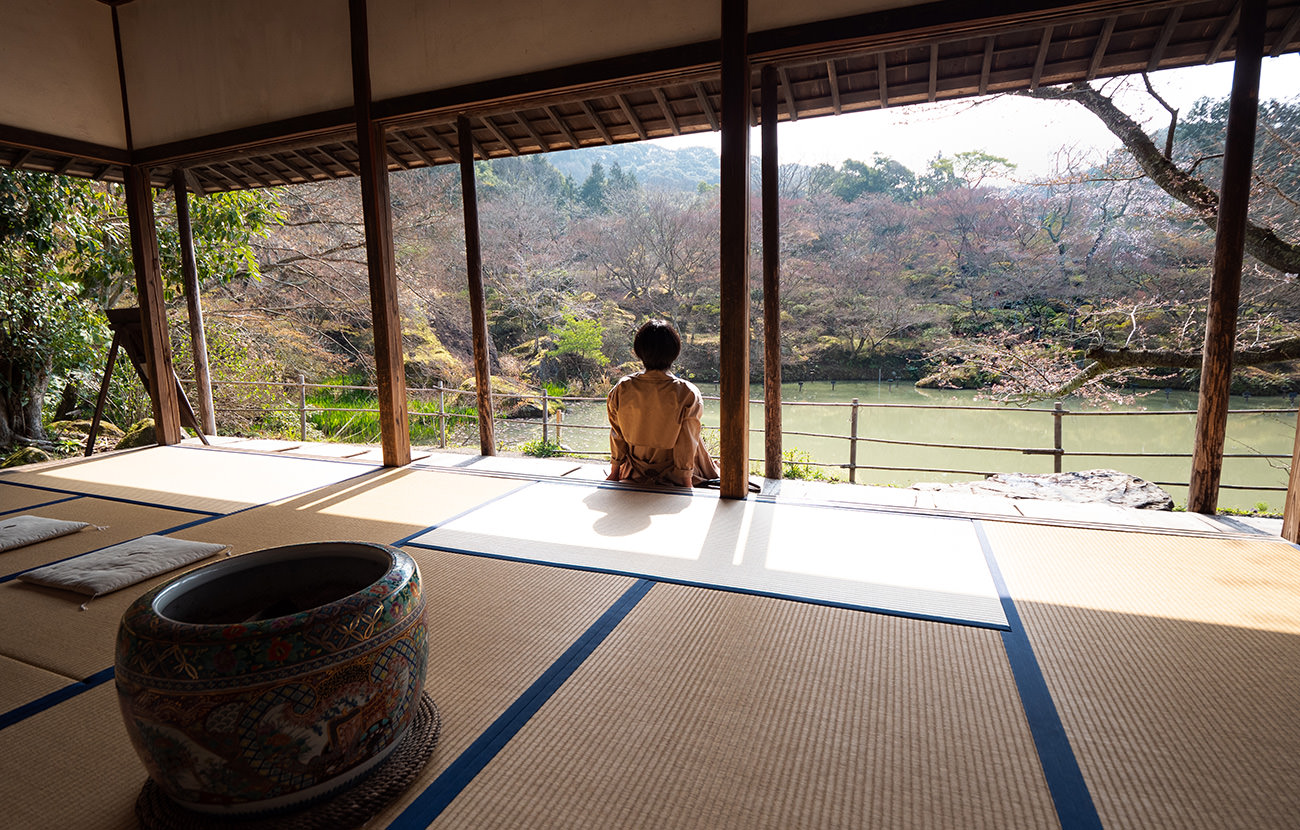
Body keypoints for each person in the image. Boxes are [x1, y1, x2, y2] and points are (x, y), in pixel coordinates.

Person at [606, 320, 719, 487]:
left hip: (635, 471)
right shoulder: (687, 392)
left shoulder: (622, 388)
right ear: (674, 351)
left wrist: (615, 474)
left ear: (639, 351)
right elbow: (687, 442)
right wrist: (687, 483)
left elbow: (617, 434)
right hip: (674, 473)